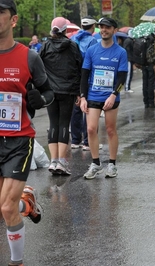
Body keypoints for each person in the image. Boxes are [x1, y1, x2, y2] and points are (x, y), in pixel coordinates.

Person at [0, 1, 54, 265]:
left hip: (18, 139)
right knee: (4, 206)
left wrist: (38, 100)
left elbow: (49, 92)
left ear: (13, 20)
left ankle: (16, 262)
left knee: (7, 207)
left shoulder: (29, 56)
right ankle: (28, 205)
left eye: (1, 12)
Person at [80, 17, 128, 179]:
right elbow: (84, 75)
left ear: (114, 30)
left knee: (110, 129)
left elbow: (122, 77)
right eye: (101, 27)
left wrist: (114, 95)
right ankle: (95, 163)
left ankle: (112, 164)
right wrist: (83, 97)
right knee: (91, 129)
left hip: (110, 97)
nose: (104, 30)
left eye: (107, 27)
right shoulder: (92, 51)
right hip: (93, 95)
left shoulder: (121, 52)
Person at [40, 17, 82, 175]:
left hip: (50, 91)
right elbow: (79, 68)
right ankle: (62, 162)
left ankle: (53, 160)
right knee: (64, 124)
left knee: (53, 124)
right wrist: (79, 91)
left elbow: (38, 68)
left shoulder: (45, 46)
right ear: (66, 30)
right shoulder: (72, 46)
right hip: (68, 90)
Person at [70, 15, 98, 151]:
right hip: (87, 78)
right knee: (88, 108)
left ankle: (75, 140)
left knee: (76, 108)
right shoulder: (93, 41)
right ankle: (87, 142)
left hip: (73, 78)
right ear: (93, 27)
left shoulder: (73, 38)